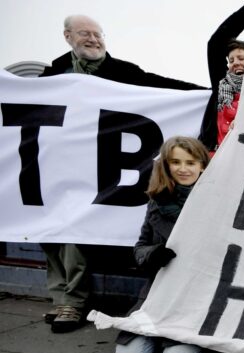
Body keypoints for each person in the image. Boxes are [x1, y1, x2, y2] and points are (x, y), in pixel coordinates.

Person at [39, 14, 205, 333]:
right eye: (85, 33)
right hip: (61, 167)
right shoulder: (52, 74)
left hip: (102, 172)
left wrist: (203, 95)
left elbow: (164, 87)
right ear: (67, 36)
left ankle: (73, 303)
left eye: (98, 34)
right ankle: (58, 297)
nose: (93, 39)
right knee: (48, 232)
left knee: (74, 232)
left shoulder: (124, 73)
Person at [113, 137, 210, 353]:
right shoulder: (157, 200)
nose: (183, 168)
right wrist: (153, 255)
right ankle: (156, 339)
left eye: (190, 162)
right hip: (158, 295)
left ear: (203, 166)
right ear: (166, 165)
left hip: (194, 301)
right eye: (175, 162)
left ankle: (195, 346)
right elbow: (140, 247)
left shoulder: (216, 204)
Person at [200, 1, 244, 152]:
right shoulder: (222, 83)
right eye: (231, 60)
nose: (235, 63)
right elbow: (215, 45)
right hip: (212, 156)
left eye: (241, 59)